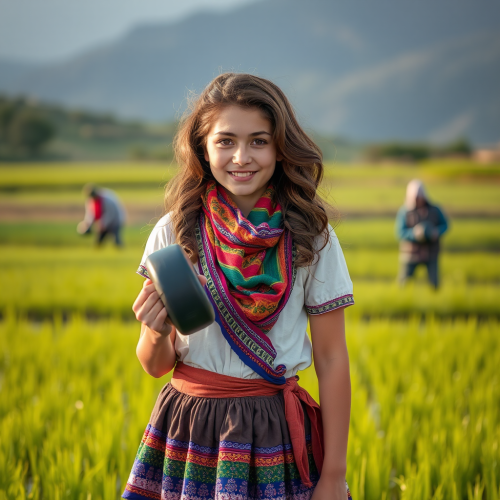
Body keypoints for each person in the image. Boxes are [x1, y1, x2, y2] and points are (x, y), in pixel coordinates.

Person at [123, 73, 354, 500]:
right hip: (189, 426)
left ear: (281, 148)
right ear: (203, 148)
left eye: (259, 141)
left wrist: (333, 476)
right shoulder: (175, 231)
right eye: (225, 141)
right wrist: (155, 330)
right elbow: (156, 364)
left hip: (274, 429)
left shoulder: (311, 237)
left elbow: (331, 357)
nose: (241, 157)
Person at [396, 179, 449, 289]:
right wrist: (414, 234)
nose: (417, 200)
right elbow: (400, 232)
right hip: (410, 253)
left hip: (431, 252)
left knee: (434, 284)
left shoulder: (435, 210)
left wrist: (436, 232)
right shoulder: (405, 212)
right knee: (404, 283)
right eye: (415, 198)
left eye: (419, 197)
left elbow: (445, 225)